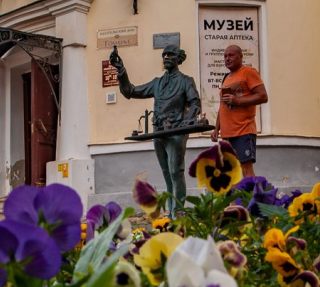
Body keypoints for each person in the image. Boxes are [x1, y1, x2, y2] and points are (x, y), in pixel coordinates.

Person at [110, 44, 201, 201]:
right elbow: (131, 91)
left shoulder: (186, 81)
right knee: (166, 173)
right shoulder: (156, 83)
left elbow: (195, 103)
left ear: (178, 59)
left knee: (175, 172)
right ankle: (172, 209)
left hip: (176, 132)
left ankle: (178, 211)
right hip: (158, 132)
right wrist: (121, 70)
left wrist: (186, 122)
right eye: (164, 55)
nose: (166, 57)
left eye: (170, 54)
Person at [210, 45, 268, 178]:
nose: (227, 59)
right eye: (225, 56)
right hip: (227, 134)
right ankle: (236, 194)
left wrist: (238, 101)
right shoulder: (227, 78)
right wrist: (216, 129)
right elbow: (222, 107)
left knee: (246, 170)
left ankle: (254, 193)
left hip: (243, 131)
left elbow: (263, 96)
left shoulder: (249, 72)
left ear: (241, 56)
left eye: (231, 55)